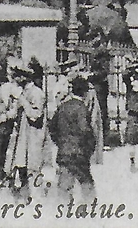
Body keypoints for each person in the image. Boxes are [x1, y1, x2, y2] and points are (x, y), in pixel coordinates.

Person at [49, 75, 97, 205]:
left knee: (64, 183)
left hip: (64, 151)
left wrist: (60, 142)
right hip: (79, 152)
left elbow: (52, 127)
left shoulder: (63, 107)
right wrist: (90, 146)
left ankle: (63, 208)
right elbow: (85, 130)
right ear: (85, 93)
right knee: (86, 181)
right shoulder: (81, 108)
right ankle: (90, 206)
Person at [9, 62, 46, 198]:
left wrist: (22, 100)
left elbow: (35, 115)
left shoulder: (37, 93)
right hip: (22, 136)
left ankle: (37, 197)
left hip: (33, 135)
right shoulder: (22, 92)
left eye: (17, 76)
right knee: (21, 166)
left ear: (24, 77)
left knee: (33, 167)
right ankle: (25, 196)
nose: (15, 79)